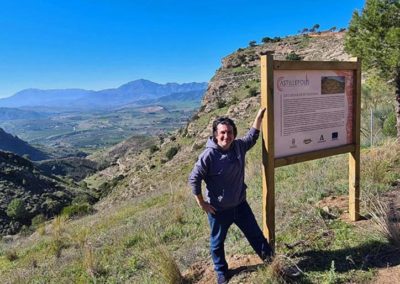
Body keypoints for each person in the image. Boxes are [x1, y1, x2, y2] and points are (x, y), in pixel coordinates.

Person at [188, 108, 273, 284]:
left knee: (256, 235)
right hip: (218, 210)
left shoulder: (239, 146)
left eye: (230, 132)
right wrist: (202, 203)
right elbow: (194, 178)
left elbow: (252, 137)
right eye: (222, 132)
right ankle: (221, 272)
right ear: (215, 134)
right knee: (217, 243)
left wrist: (258, 117)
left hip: (240, 205)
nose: (226, 136)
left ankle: (271, 261)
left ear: (234, 133)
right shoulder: (209, 155)